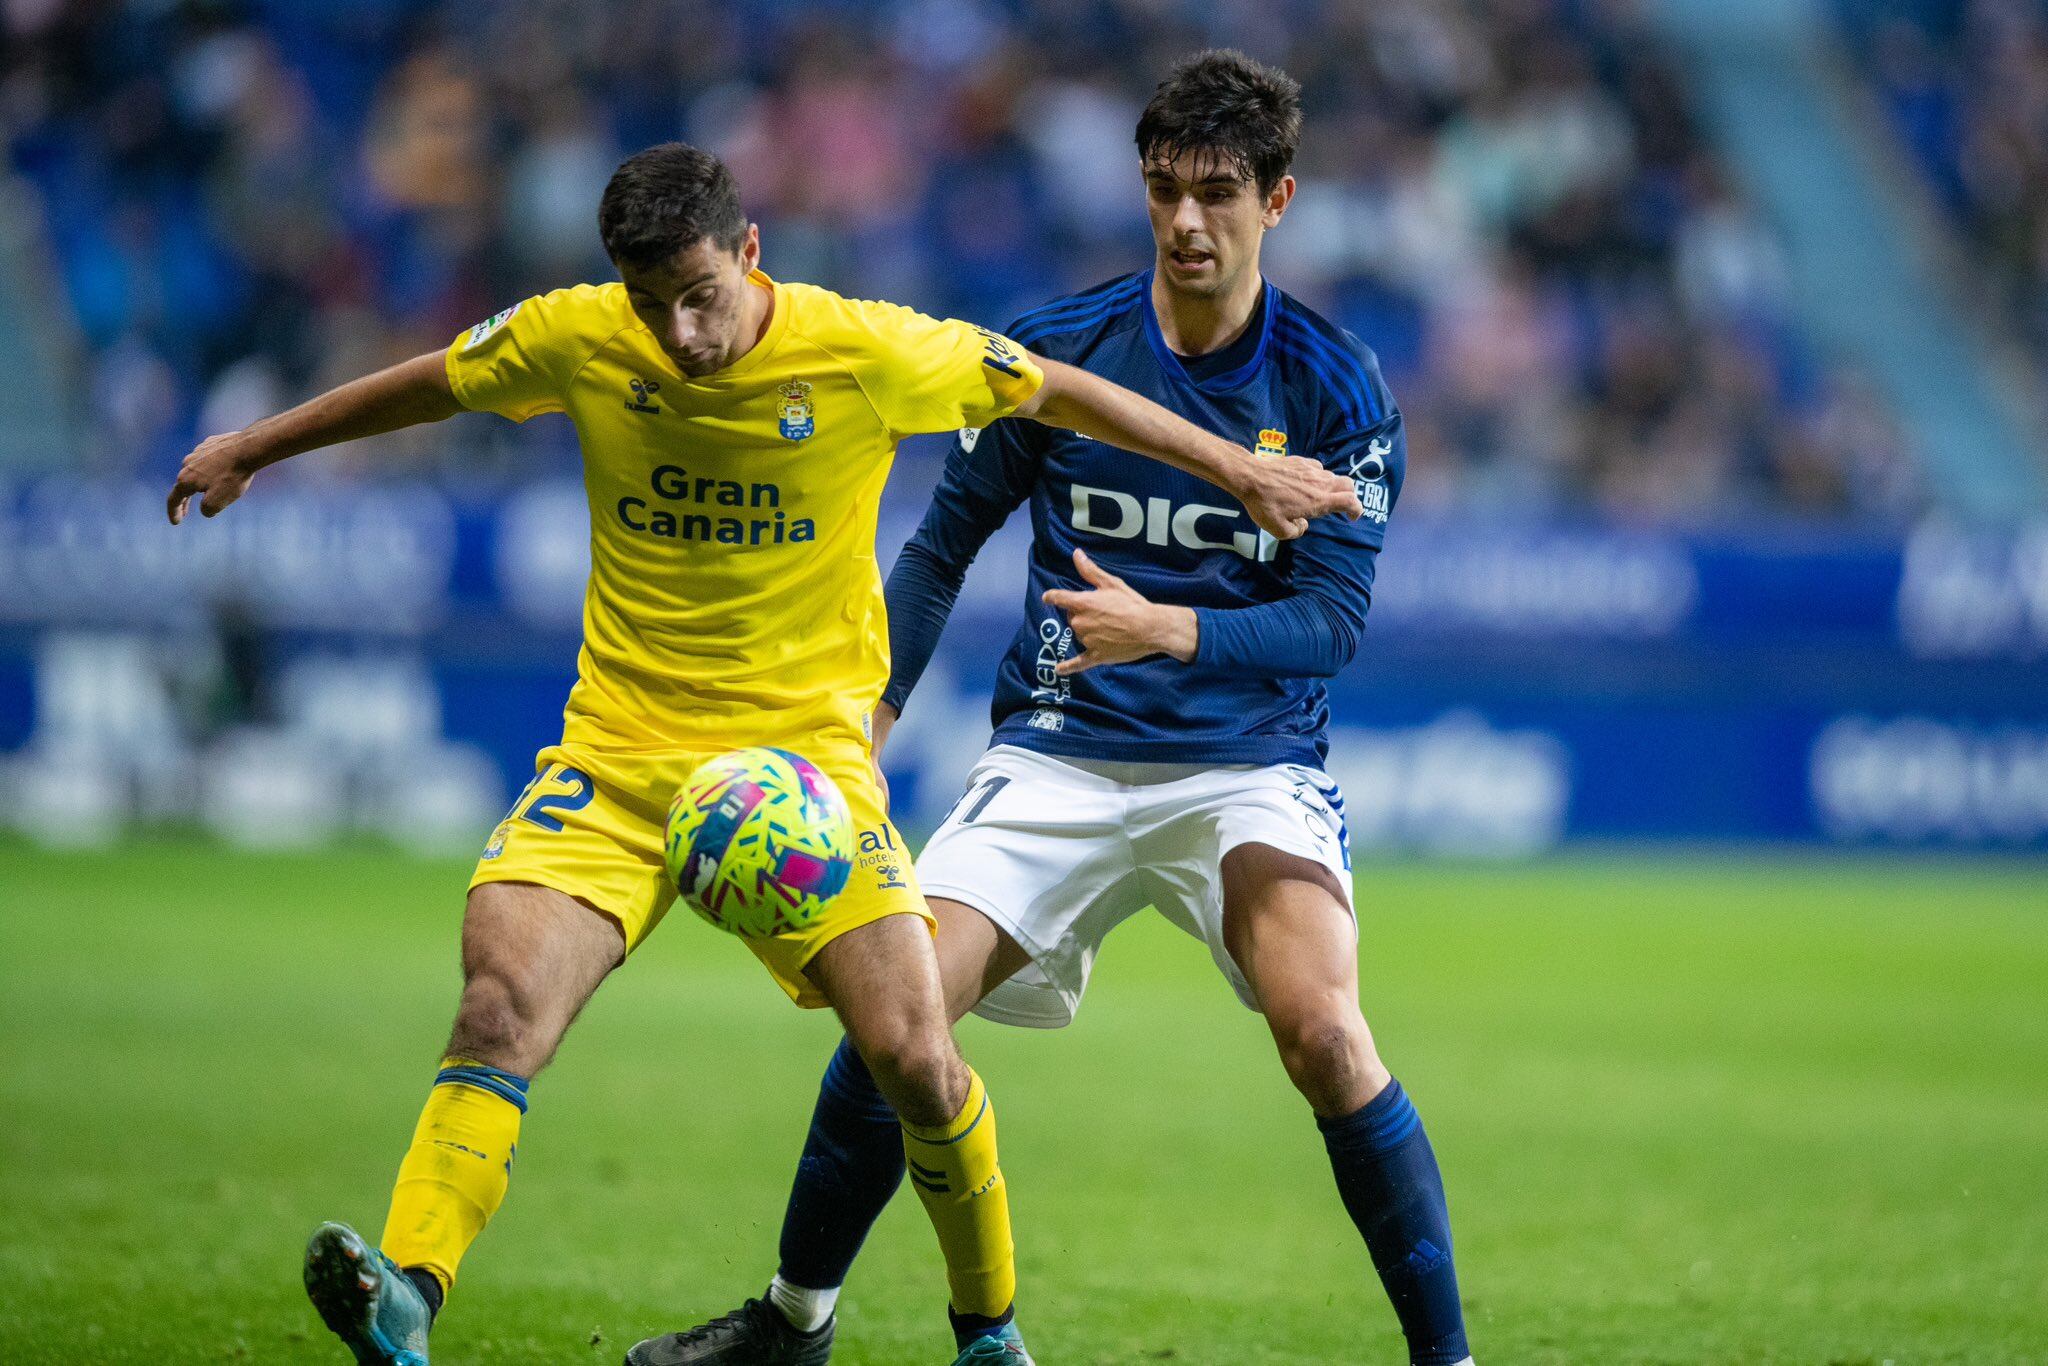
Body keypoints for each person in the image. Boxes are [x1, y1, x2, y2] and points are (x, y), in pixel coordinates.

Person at [163, 140, 1360, 1366]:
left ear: (749, 254)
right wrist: (258, 443)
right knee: (497, 1001)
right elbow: (434, 383)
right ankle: (408, 1295)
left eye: (701, 296)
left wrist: (1232, 466)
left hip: (801, 773)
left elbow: (1051, 389)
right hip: (619, 756)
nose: (679, 333)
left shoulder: (864, 347)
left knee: (912, 1055)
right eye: (651, 304)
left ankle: (989, 1335)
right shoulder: (579, 335)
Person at [640, 51, 1472, 1366]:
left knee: (1324, 1030)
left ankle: (1449, 1359)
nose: (1186, 221)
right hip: (1058, 757)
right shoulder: (1055, 353)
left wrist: (1171, 628)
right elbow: (941, 541)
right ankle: (793, 1323)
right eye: (1163, 192)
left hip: (1245, 766)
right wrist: (877, 705)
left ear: (1279, 199)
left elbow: (1333, 624)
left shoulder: (1336, 391)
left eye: (1215, 194)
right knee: (894, 1016)